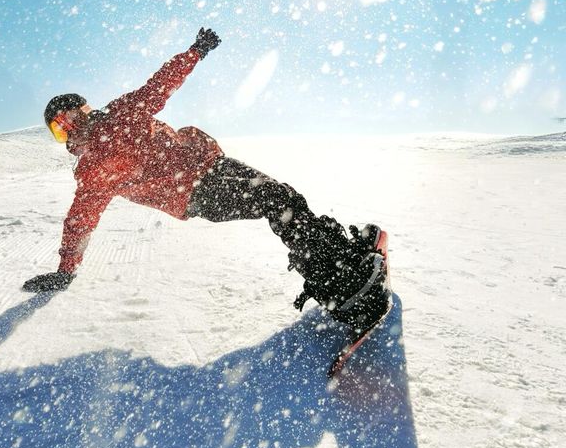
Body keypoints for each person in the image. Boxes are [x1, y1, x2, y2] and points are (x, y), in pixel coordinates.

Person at [23, 29, 389, 329]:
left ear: (79, 111)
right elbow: (80, 219)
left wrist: (194, 52)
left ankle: (342, 257)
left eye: (66, 121)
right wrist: (65, 269)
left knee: (283, 196)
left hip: (211, 162)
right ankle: (341, 288)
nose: (69, 132)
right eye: (59, 131)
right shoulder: (92, 170)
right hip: (196, 192)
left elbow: (159, 86)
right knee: (278, 202)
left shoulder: (121, 113)